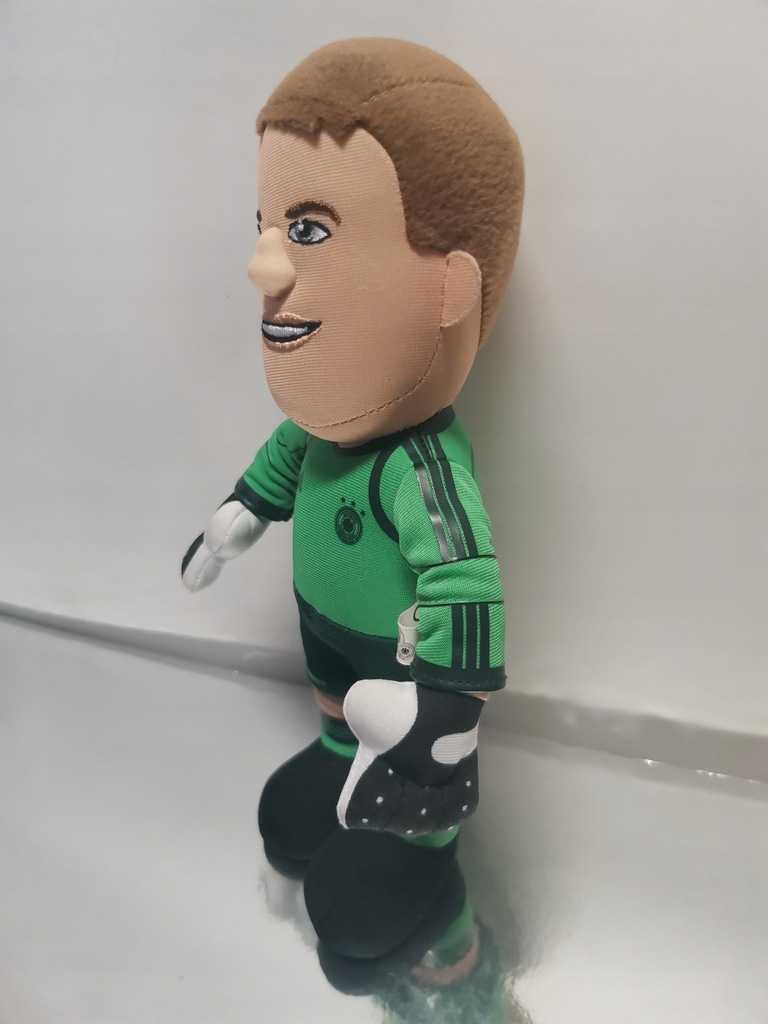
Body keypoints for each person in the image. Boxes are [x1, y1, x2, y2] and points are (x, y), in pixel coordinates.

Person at [182, 37, 524, 958]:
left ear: (450, 283)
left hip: (403, 679)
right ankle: (338, 751)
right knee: (328, 724)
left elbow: (464, 578)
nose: (264, 268)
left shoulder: (423, 468)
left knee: (402, 769)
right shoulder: (321, 432)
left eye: (308, 230)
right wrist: (240, 516)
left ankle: (424, 847)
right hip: (331, 652)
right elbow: (280, 463)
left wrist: (447, 706)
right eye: (268, 225)